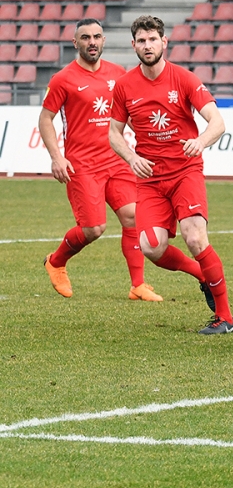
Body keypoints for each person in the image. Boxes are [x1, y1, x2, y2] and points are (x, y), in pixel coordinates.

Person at [108, 15, 233, 334]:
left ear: (164, 43)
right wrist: (131, 156)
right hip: (150, 179)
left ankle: (226, 318)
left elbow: (217, 123)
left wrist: (200, 141)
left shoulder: (184, 79)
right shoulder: (125, 85)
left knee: (195, 236)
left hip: (185, 171)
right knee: (151, 245)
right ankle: (201, 274)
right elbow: (113, 131)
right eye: (142, 40)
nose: (147, 45)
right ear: (133, 45)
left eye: (153, 39)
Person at [38, 18, 160, 301]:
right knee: (93, 229)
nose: (92, 42)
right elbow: (46, 118)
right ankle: (55, 262)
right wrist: (57, 158)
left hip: (116, 161)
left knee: (133, 217)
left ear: (103, 41)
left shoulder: (119, 74)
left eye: (97, 36)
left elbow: (132, 113)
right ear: (75, 43)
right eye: (85, 37)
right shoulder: (62, 79)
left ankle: (138, 285)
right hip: (82, 164)